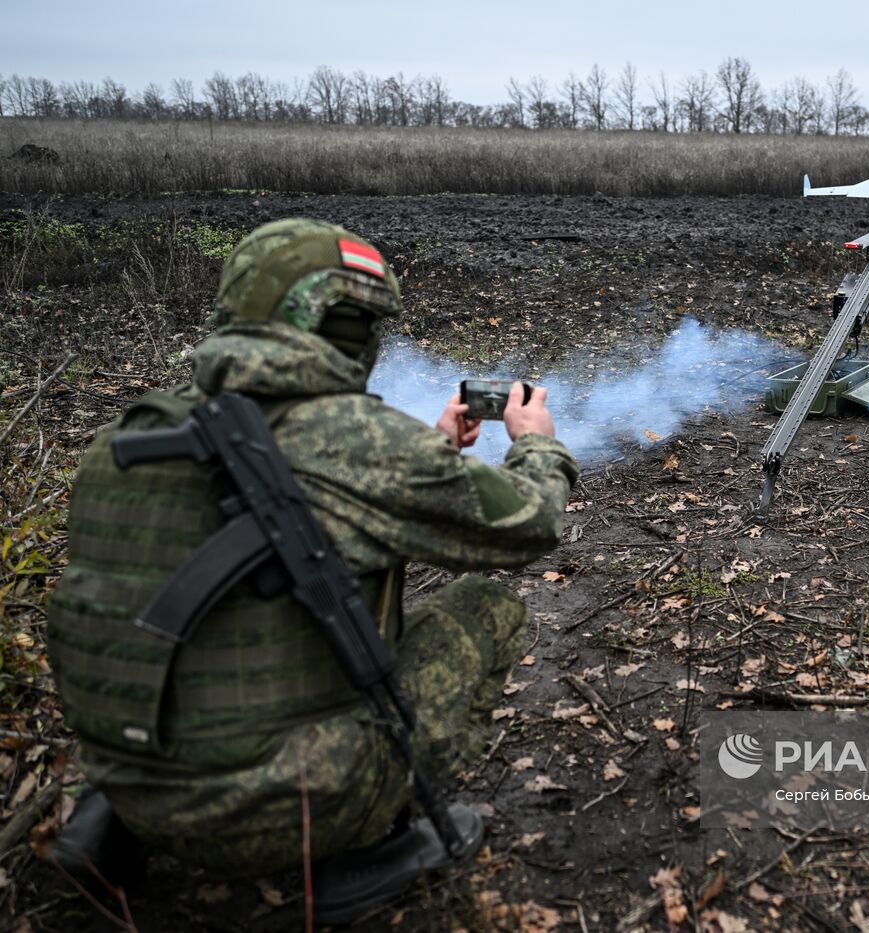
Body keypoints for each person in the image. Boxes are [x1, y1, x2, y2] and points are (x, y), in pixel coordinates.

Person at [46, 219, 577, 914]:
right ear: (348, 326)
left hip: (127, 783)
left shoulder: (129, 439)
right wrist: (537, 445)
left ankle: (110, 832)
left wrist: (433, 447)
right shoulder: (357, 442)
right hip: (279, 816)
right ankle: (363, 850)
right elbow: (532, 523)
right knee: (487, 607)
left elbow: (291, 504)